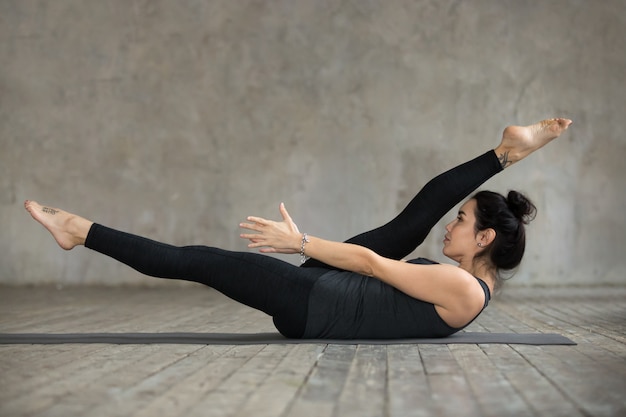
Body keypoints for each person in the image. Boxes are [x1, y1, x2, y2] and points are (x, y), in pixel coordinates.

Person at [24, 118, 572, 339]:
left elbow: (372, 264)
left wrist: (299, 243)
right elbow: (391, 252)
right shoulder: (470, 288)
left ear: (485, 240)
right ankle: (505, 153)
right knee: (410, 224)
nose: (451, 227)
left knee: (193, 260)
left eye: (463, 221)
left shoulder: (463, 289)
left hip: (311, 299)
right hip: (322, 294)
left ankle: (78, 229)